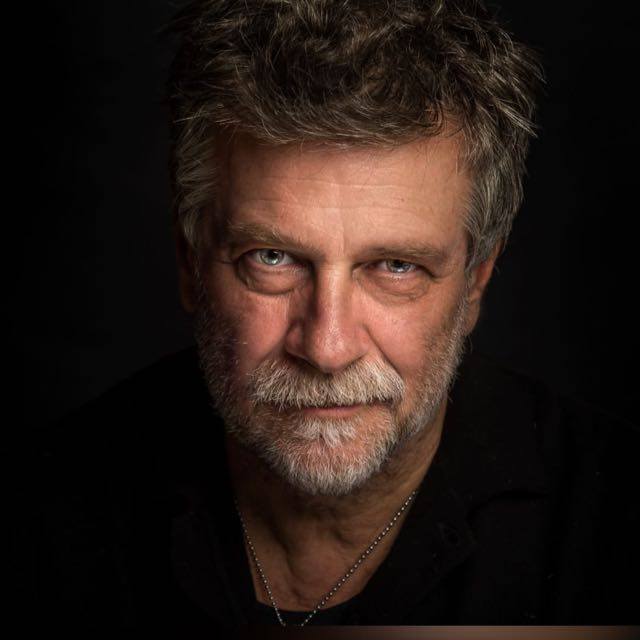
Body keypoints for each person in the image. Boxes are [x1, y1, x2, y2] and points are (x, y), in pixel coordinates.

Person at [18, 0, 638, 629]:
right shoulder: (48, 517)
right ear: (191, 264)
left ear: (476, 280)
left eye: (395, 266)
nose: (327, 348)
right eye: (273, 258)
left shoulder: (612, 528)